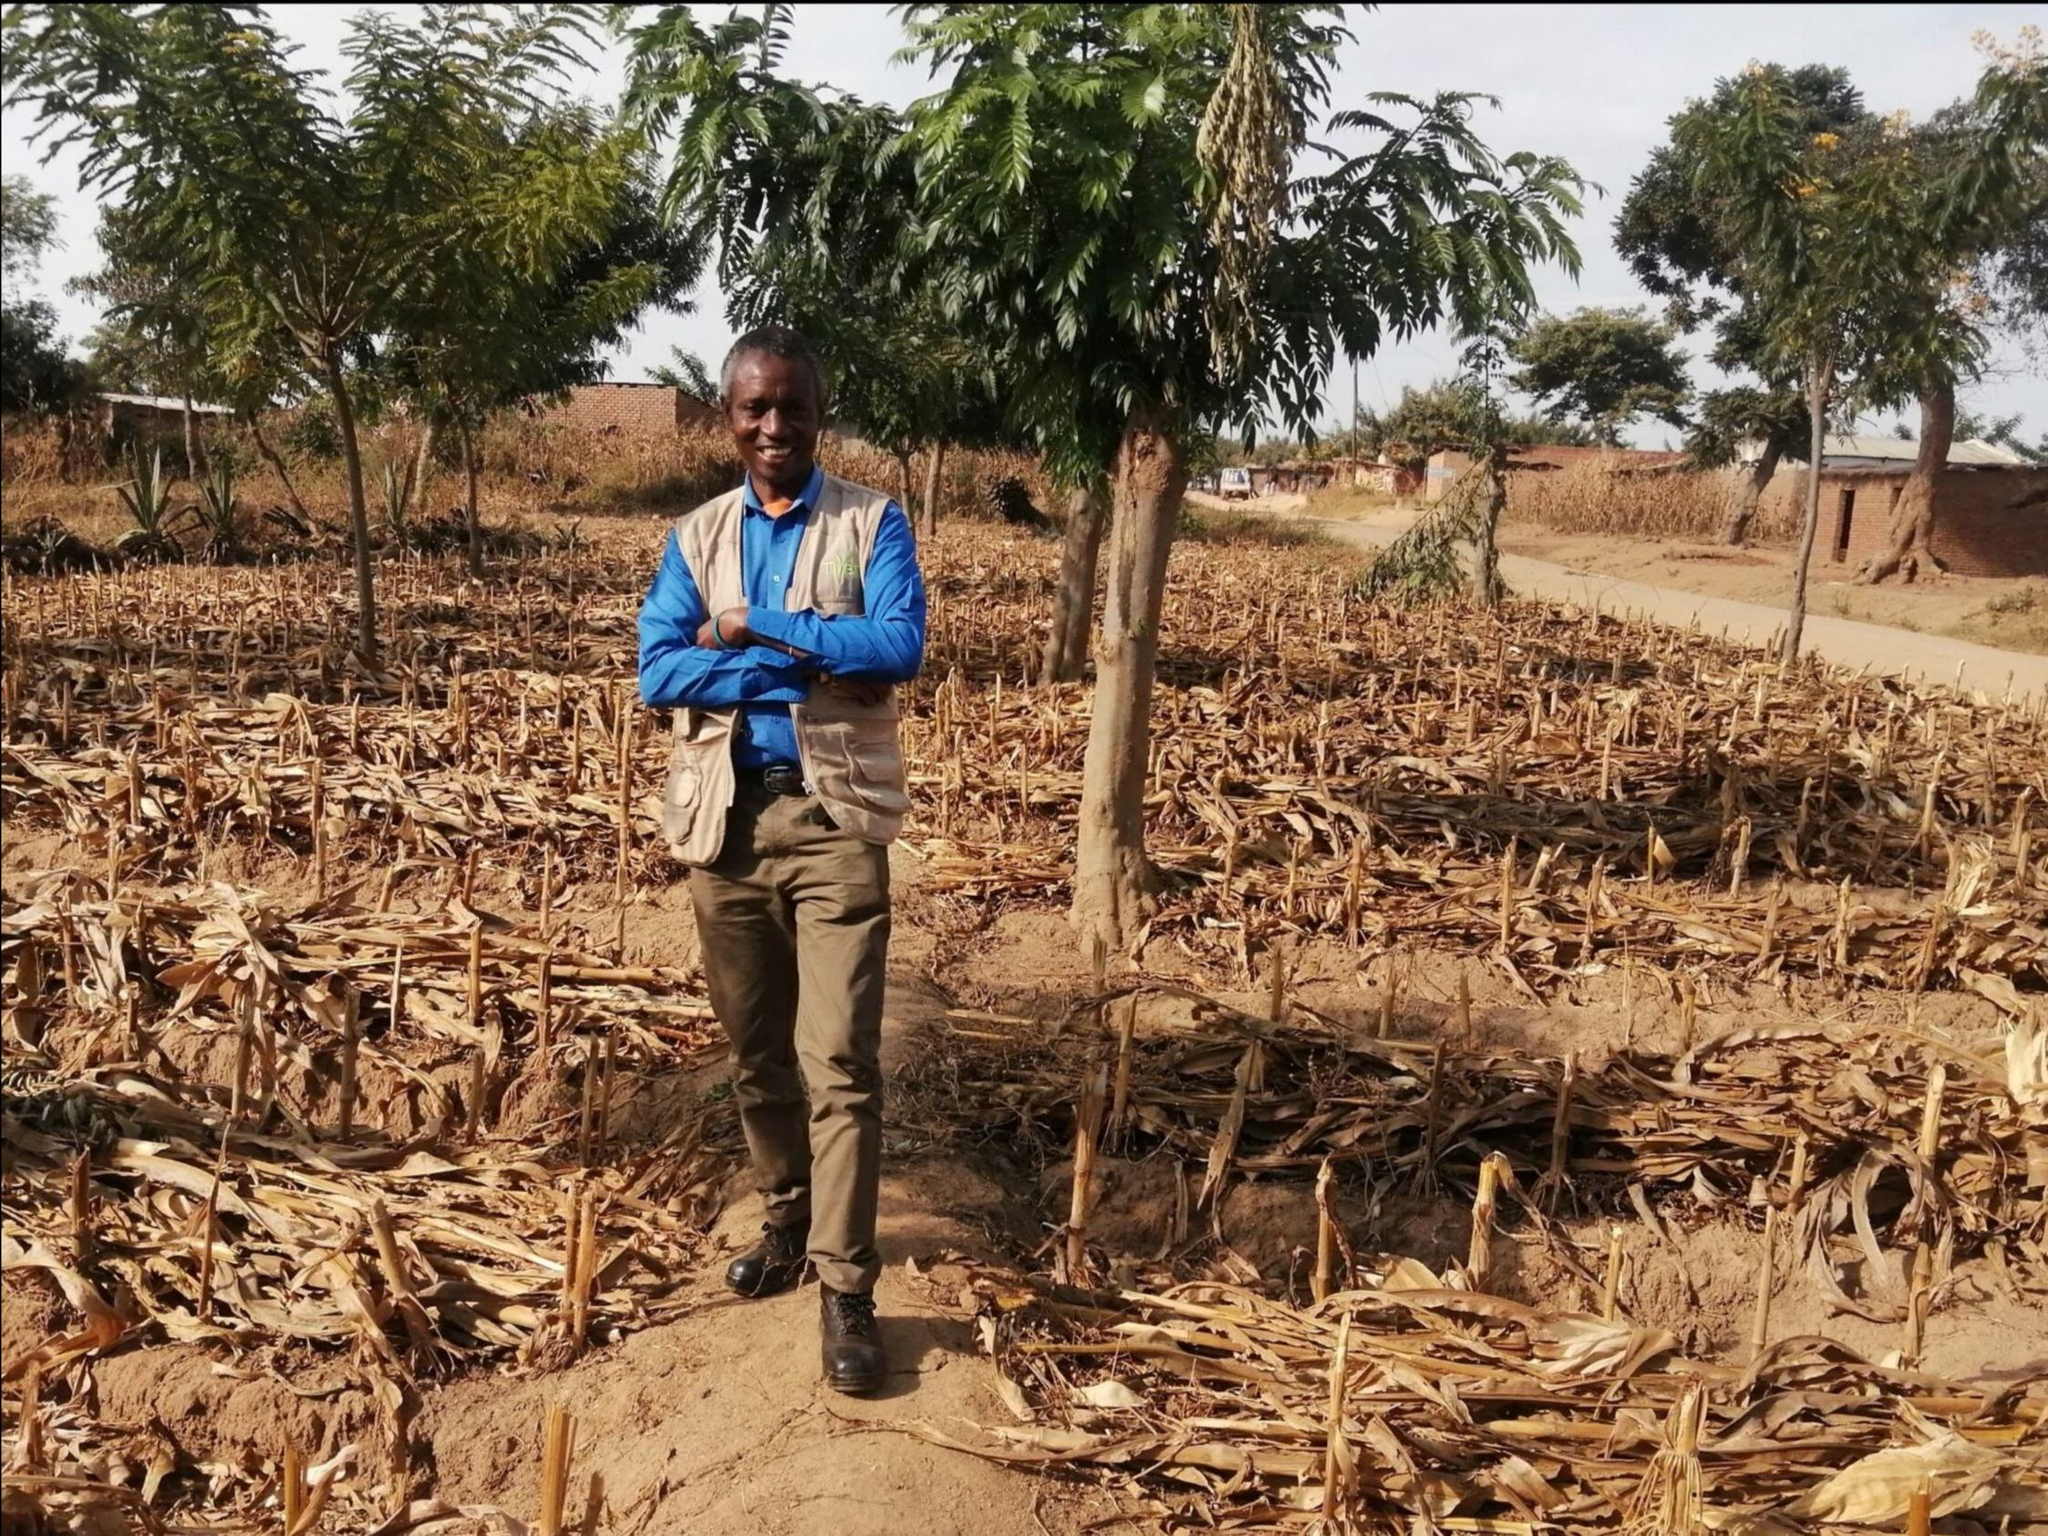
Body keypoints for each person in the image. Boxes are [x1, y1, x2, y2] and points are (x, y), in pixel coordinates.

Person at [637, 325, 926, 1395]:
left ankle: (847, 1289)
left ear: (818, 412)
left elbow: (896, 647)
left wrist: (752, 627)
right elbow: (657, 670)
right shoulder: (694, 534)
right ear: (729, 418)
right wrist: (798, 666)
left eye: (791, 408)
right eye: (754, 409)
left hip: (835, 820)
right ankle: (786, 1221)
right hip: (726, 828)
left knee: (838, 1062)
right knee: (757, 1057)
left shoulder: (871, 521)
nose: (773, 427)